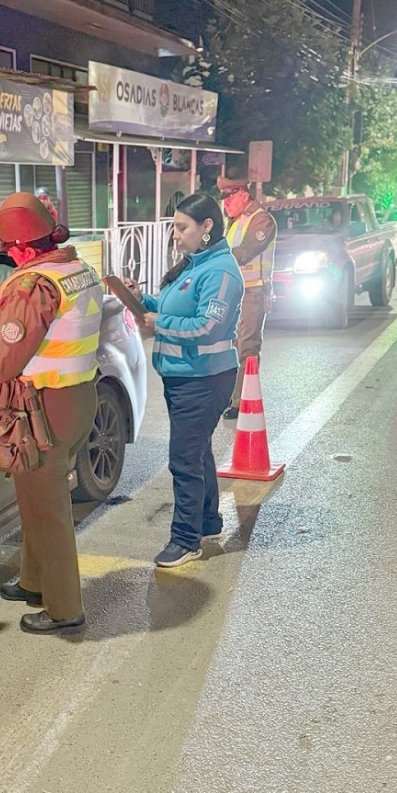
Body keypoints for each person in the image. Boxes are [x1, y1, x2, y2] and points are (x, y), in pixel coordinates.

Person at [0, 192, 103, 634]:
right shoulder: (77, 270)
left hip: (43, 409)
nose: (8, 256)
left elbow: (2, 363)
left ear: (24, 247)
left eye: (9, 248)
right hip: (78, 399)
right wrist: (3, 306)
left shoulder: (31, 287)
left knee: (48, 511)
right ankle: (33, 581)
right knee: (36, 497)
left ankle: (64, 608)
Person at [130, 193, 243, 567]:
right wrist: (143, 301)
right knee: (197, 453)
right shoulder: (195, 266)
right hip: (183, 378)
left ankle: (186, 539)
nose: (176, 236)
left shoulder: (220, 272)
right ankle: (207, 522)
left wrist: (159, 323)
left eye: (182, 228)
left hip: (204, 381)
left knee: (183, 460)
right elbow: (174, 308)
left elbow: (208, 327)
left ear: (206, 227)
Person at [217, 175, 277, 420]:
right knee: (229, 347)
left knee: (247, 347)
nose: (226, 203)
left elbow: (244, 252)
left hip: (253, 292)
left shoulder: (261, 220)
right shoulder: (235, 220)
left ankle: (243, 401)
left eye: (229, 197)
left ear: (243, 194)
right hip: (234, 293)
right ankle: (232, 398)